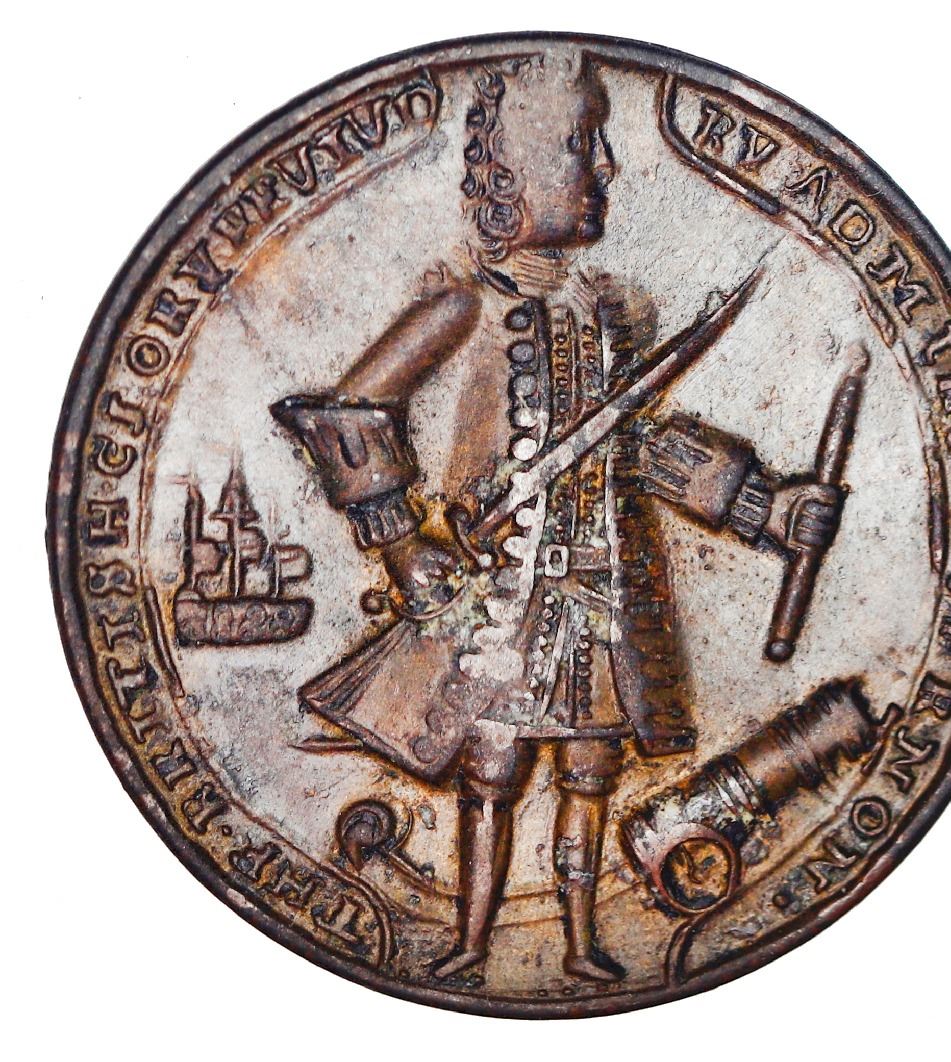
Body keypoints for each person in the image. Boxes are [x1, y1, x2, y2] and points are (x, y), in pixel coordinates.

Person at [272, 54, 841, 982]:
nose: (607, 164)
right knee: (490, 773)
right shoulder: (461, 306)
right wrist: (400, 542)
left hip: (601, 600)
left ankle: (581, 947)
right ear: (516, 171)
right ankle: (469, 943)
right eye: (584, 142)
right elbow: (348, 411)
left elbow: (638, 444)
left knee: (589, 775)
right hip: (500, 608)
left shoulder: (610, 315)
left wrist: (761, 505)